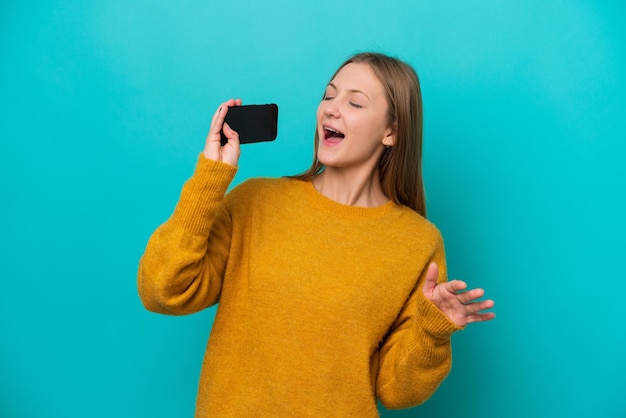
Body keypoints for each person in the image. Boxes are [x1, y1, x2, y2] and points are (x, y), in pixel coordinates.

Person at [138, 52, 495, 417]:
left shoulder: (418, 242)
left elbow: (397, 390)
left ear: (391, 132)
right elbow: (163, 289)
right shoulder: (255, 201)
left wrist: (433, 332)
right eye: (328, 96)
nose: (330, 109)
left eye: (354, 102)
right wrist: (210, 178)